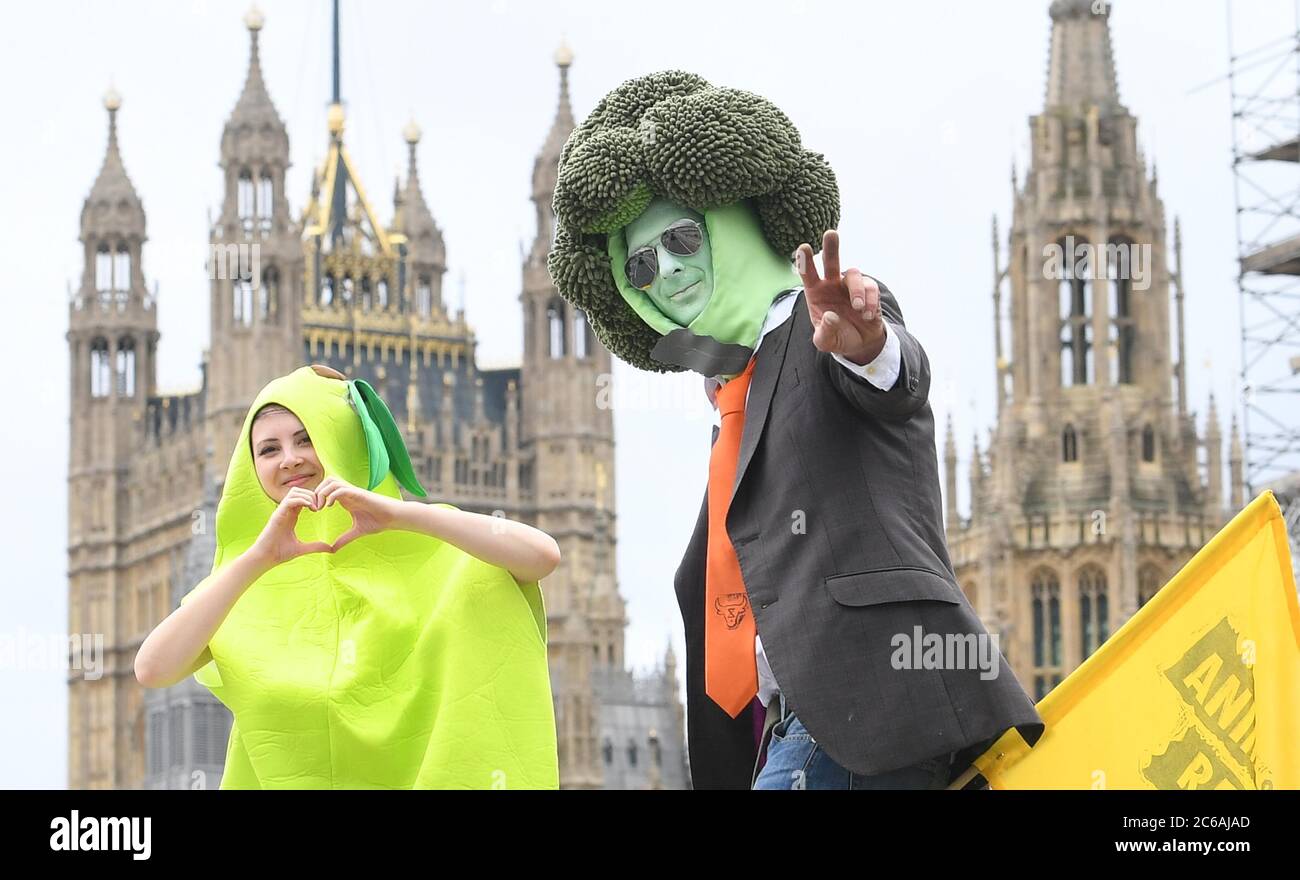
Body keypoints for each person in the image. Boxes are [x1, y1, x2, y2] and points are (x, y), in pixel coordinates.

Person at [548, 70, 1044, 789]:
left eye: (684, 238)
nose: (668, 272)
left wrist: (866, 343)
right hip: (796, 734)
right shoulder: (731, 407)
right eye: (642, 264)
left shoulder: (824, 331)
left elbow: (897, 383)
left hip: (878, 707)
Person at [135, 364, 560, 789]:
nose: (290, 459)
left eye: (306, 439)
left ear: (342, 438)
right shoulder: (245, 587)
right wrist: (257, 558)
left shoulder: (435, 555)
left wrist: (400, 514)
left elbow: (542, 555)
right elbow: (152, 668)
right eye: (268, 450)